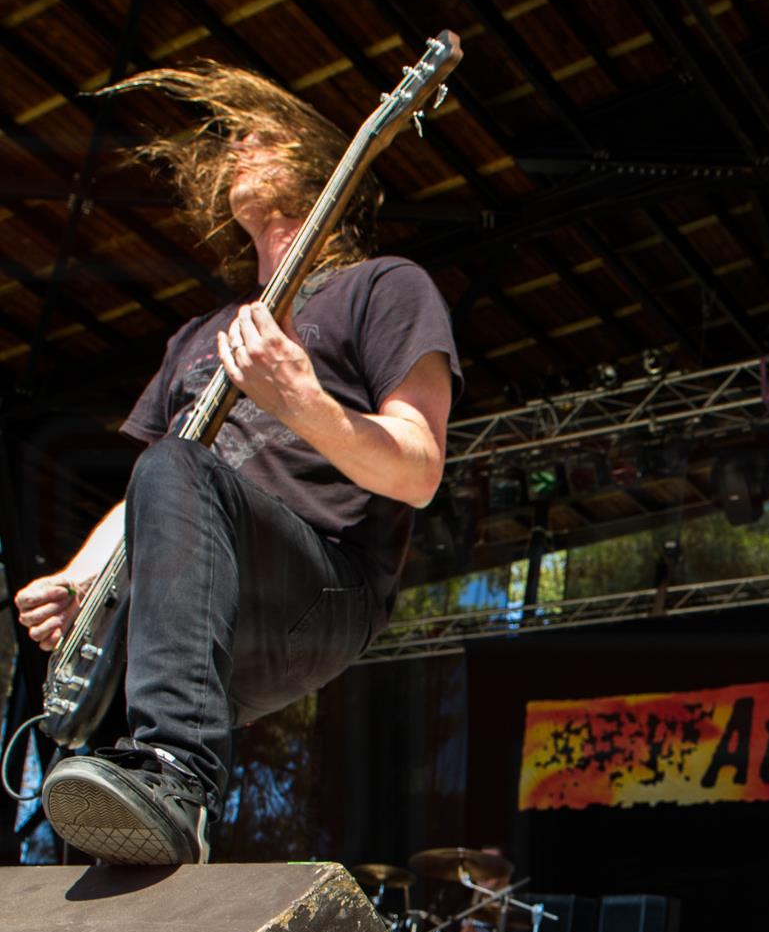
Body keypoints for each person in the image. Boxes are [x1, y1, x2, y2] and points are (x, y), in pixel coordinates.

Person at [14, 62, 461, 865]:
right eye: (237, 138)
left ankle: (180, 774)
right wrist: (79, 584)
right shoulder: (197, 336)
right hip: (184, 612)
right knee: (170, 470)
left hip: (319, 589)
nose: (241, 147)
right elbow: (145, 497)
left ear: (327, 166)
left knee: (180, 468)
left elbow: (418, 469)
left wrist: (301, 402)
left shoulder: (384, 287)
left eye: (266, 136)